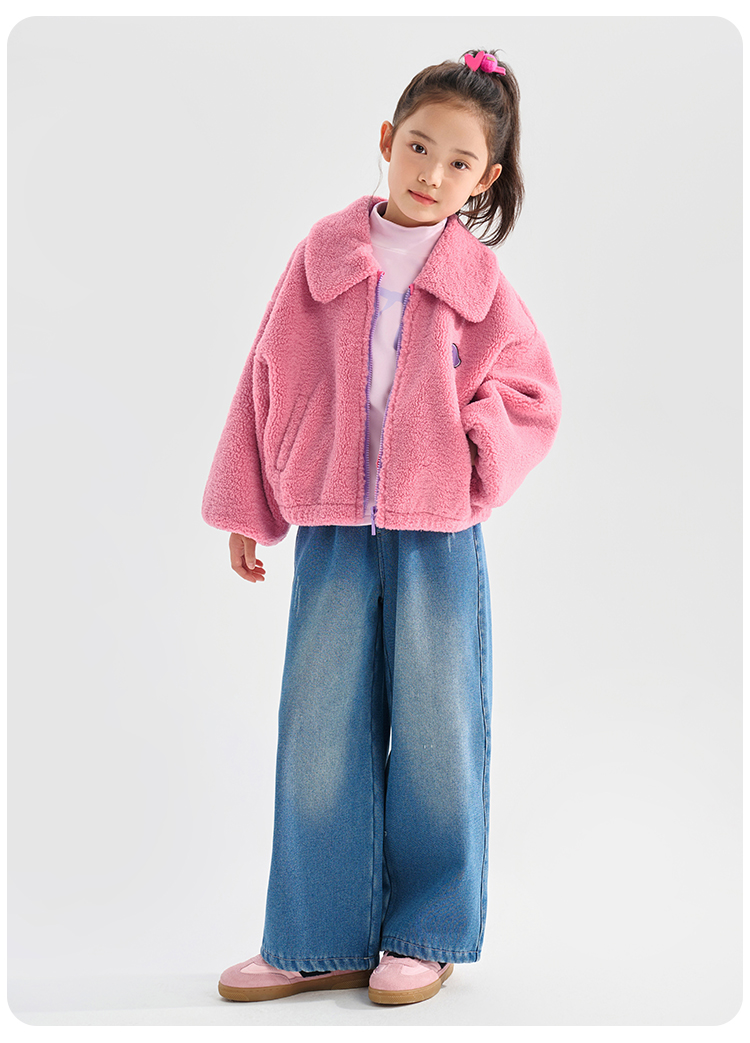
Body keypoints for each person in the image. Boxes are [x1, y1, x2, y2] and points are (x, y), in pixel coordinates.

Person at [202, 48, 562, 1007]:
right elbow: (262, 375)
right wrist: (248, 506)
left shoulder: (479, 282)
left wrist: (474, 455)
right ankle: (317, 936)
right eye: (417, 147)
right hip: (330, 522)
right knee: (320, 725)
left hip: (438, 532)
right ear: (385, 141)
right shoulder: (322, 255)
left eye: (457, 162)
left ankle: (426, 933)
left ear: (484, 178)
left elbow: (532, 395)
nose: (430, 172)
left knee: (440, 728)